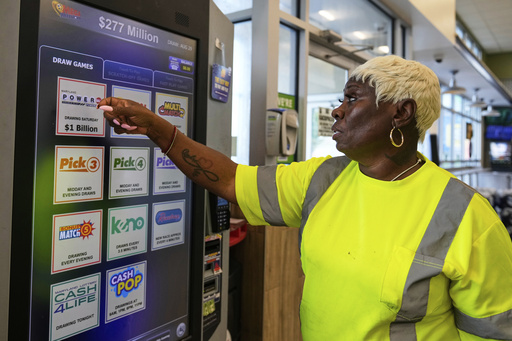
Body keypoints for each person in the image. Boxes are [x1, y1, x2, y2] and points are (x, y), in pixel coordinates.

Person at [98, 55, 512, 340]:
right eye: (340, 100)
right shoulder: (323, 178)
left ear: (400, 114)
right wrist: (158, 129)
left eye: (352, 99)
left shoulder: (466, 216)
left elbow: (493, 333)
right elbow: (228, 179)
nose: (338, 110)